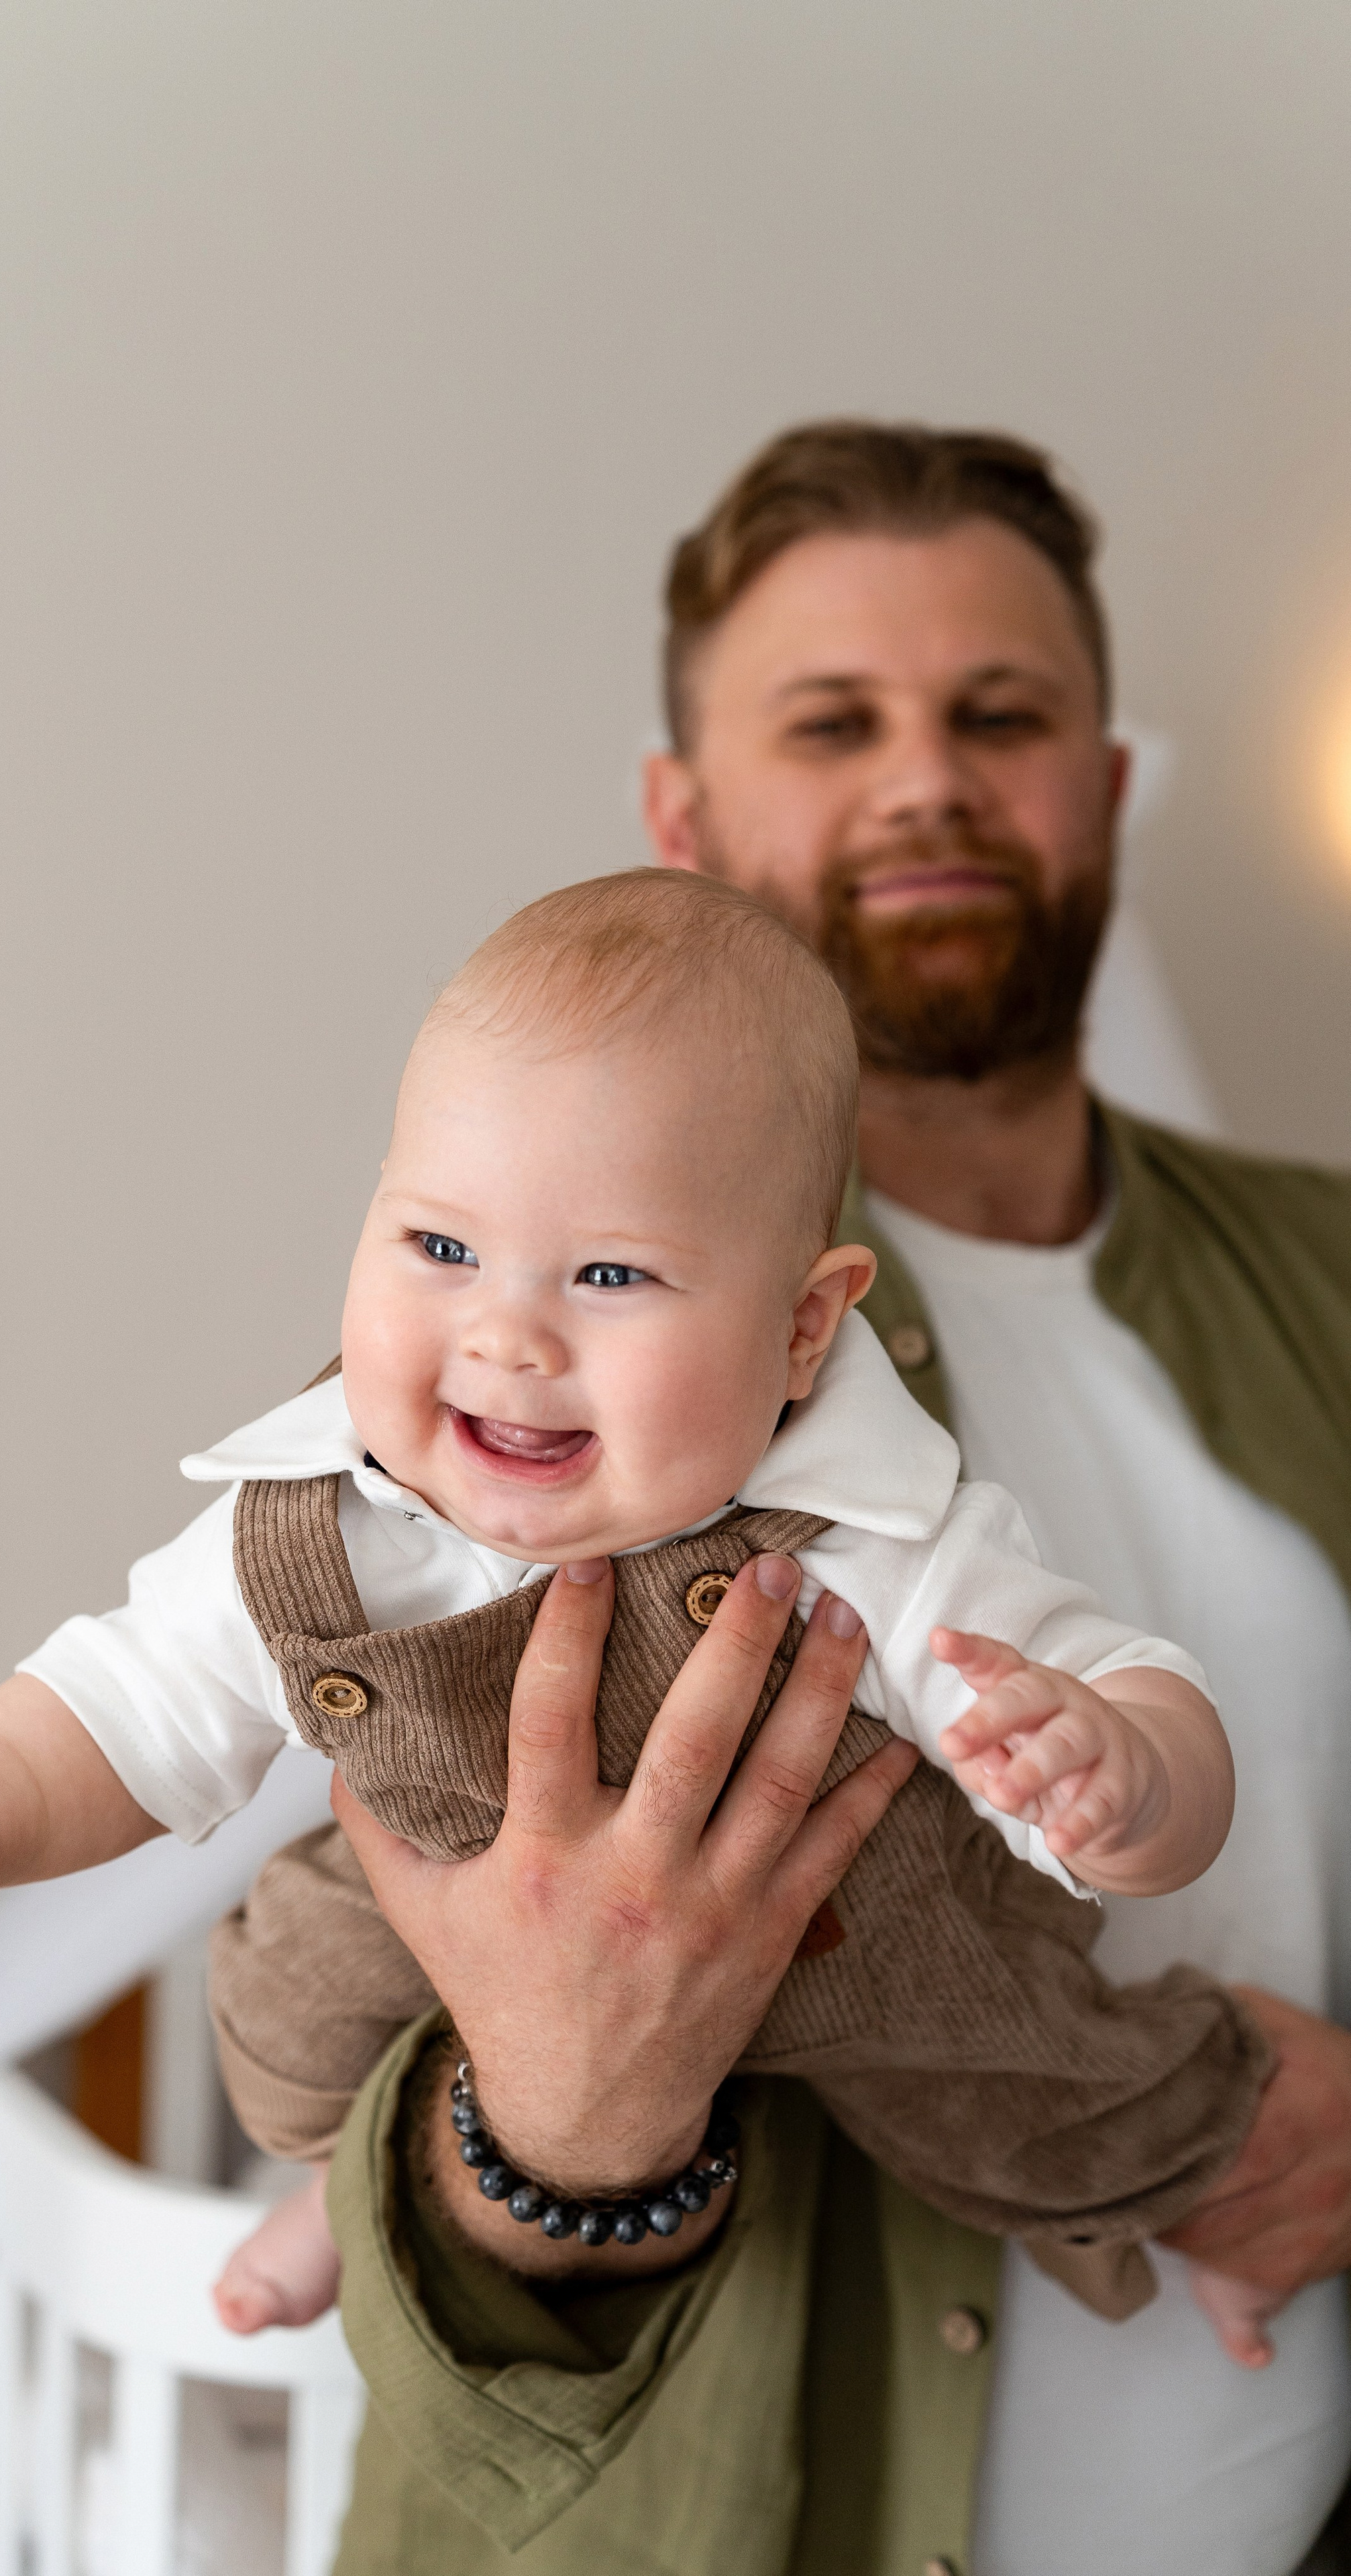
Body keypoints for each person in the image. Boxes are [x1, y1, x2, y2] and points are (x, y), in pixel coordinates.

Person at [309, 422, 1351, 2576]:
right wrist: (570, 2123)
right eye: (833, 722)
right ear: (682, 816)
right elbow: (374, 1963)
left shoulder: (1328, 1280)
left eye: (1000, 715)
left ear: (1107, 784)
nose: (927, 783)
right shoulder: (553, 1359)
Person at [0, 870, 1264, 2344]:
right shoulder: (334, 1522)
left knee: (1081, 2102)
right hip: (442, 1929)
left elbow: (1114, 1681)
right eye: (438, 1249)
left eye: (610, 1274)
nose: (504, 1332)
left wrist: (1117, 1774)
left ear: (803, 1327)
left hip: (865, 1956)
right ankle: (342, 2191)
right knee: (293, 2021)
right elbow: (113, 1709)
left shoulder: (879, 1534)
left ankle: (1218, 2229)